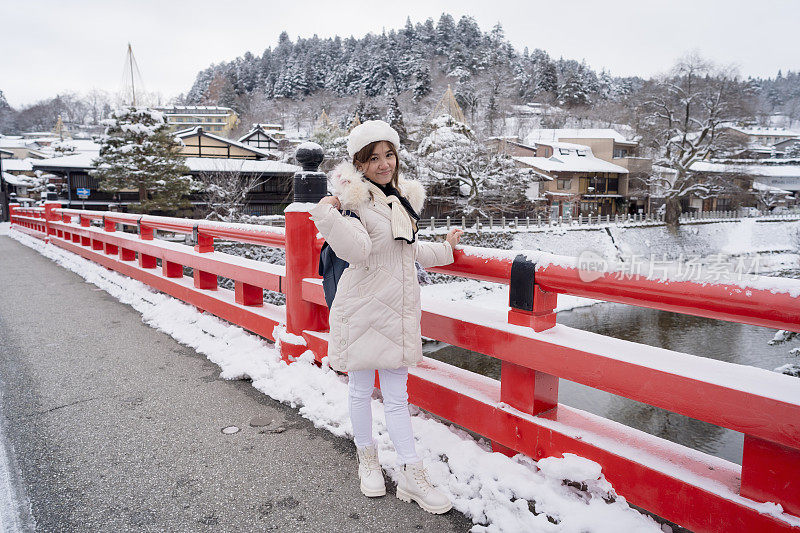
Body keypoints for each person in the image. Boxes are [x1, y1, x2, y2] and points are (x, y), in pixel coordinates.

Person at [309, 120, 462, 514]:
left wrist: (445, 250)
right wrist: (327, 215)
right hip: (362, 306)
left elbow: (406, 252)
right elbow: (357, 251)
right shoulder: (353, 200)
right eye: (373, 157)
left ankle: (411, 474)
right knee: (361, 389)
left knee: (397, 397)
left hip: (396, 308)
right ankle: (368, 459)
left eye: (389, 154)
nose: (383, 163)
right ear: (359, 163)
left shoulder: (400, 199)